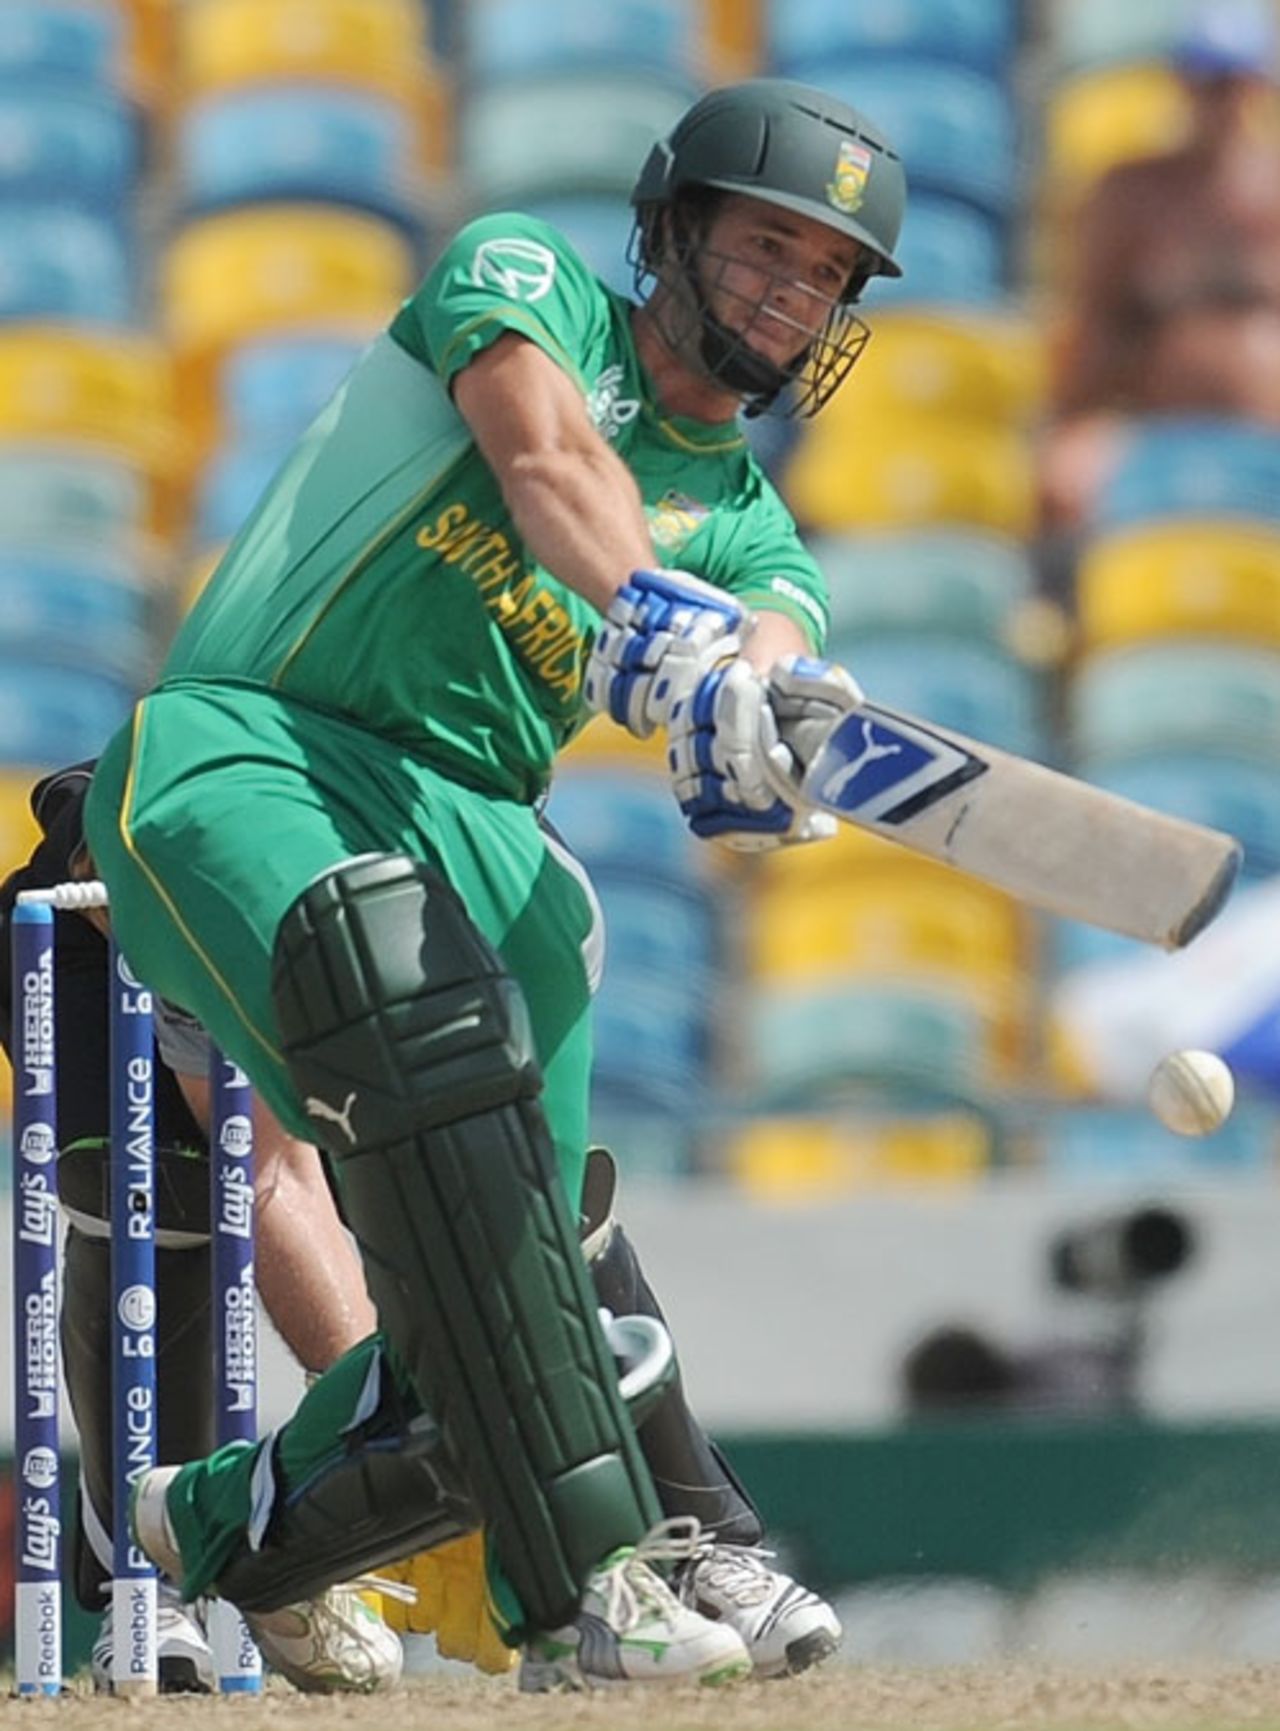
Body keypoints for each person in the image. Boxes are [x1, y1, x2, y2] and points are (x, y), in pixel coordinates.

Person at [81, 75, 906, 1689]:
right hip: (251, 747)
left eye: (825, 276)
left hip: (480, 829)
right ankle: (598, 1583)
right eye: (763, 247)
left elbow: (779, 621)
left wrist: (774, 705)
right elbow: (543, 459)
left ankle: (237, 1524)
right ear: (671, 230)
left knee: (525, 1254)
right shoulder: (523, 280)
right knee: (416, 1051)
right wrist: (659, 626)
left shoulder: (752, 525)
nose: (790, 293)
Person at [3, 763, 839, 1686]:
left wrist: (486, 1462)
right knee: (171, 1189)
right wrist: (383, 1443)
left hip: (345, 898)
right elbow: (273, 1175)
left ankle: (697, 1549)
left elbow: (523, 1210)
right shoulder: (221, 901)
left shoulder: (539, 909)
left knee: (550, 1212)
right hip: (116, 929)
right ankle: (154, 1577)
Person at [1039, 0, 1280, 539]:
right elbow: (1093, 328)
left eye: (1232, 83)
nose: (1220, 101)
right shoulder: (1133, 197)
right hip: (1154, 439)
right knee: (1071, 480)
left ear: (1259, 87)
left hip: (1270, 440)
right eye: (1206, 82)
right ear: (1181, 84)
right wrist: (1076, 427)